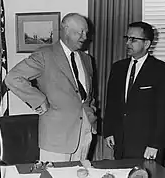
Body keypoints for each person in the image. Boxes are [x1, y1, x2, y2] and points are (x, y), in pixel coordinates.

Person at [5, 13, 97, 162]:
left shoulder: (87, 59)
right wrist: (39, 100)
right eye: (79, 32)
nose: (84, 37)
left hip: (84, 134)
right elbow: (12, 78)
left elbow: (87, 95)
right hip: (56, 138)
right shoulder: (44, 55)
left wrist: (91, 112)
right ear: (65, 30)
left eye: (86, 32)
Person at [103, 21, 165, 165]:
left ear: (147, 44)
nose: (128, 43)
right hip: (120, 143)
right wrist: (109, 131)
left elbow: (164, 113)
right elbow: (111, 103)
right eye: (127, 38)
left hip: (146, 146)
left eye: (133, 40)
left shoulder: (161, 70)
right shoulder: (118, 68)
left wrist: (155, 144)